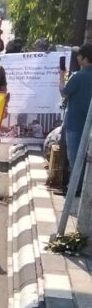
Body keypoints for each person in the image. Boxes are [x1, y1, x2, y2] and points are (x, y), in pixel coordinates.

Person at [60, 43, 92, 194]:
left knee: (74, 159)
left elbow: (64, 92)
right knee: (85, 159)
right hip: (87, 124)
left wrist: (61, 76)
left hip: (75, 123)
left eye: (79, 55)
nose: (77, 57)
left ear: (85, 58)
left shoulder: (79, 76)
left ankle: (73, 190)